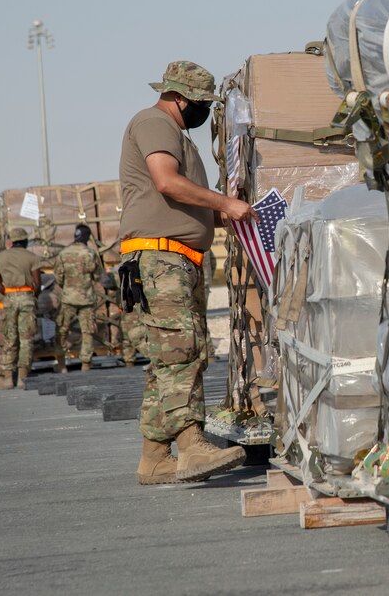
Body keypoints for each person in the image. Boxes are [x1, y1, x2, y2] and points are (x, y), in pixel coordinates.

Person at [119, 60, 257, 485]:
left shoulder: (177, 135)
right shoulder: (154, 123)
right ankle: (191, 446)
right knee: (181, 353)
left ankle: (155, 457)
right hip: (162, 260)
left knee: (173, 358)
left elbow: (185, 202)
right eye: (198, 103)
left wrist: (227, 214)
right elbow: (166, 182)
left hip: (177, 258)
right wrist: (224, 204)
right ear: (178, 97)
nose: (201, 110)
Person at [0, 227, 43, 389]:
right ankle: (22, 378)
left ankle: (7, 379)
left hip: (9, 299)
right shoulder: (32, 257)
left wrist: (8, 293)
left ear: (12, 241)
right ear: (25, 241)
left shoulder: (0, 257)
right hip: (27, 298)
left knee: (9, 339)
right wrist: (32, 296)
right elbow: (37, 283)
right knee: (26, 339)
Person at [53, 224, 102, 373]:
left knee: (62, 330)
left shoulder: (63, 253)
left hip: (68, 298)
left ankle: (62, 365)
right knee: (87, 332)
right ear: (87, 237)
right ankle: (85, 364)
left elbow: (58, 277)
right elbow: (98, 275)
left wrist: (68, 286)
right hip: (86, 299)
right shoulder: (90, 253)